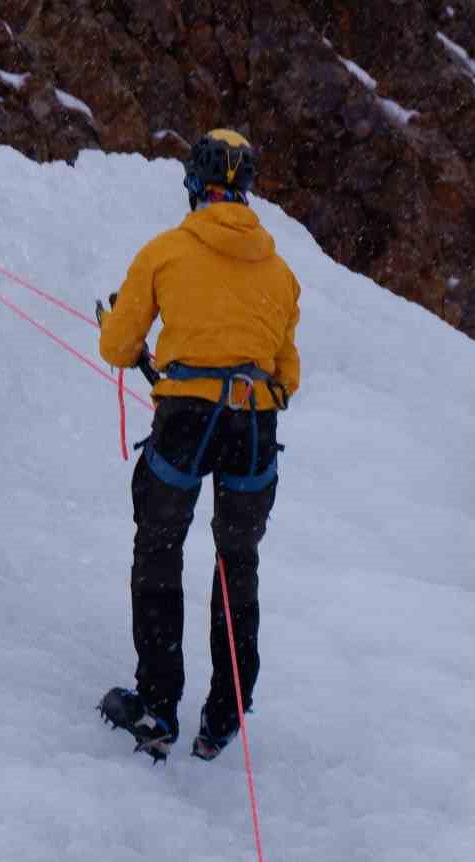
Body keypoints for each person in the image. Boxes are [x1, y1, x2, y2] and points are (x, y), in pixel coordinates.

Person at [96, 129, 301, 763]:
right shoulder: (280, 271)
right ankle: (224, 715)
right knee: (236, 561)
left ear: (195, 184)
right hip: (255, 425)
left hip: (186, 419)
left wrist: (127, 336)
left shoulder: (166, 252)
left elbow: (118, 348)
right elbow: (287, 374)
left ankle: (158, 705)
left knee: (159, 551)